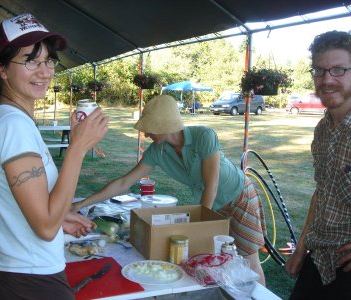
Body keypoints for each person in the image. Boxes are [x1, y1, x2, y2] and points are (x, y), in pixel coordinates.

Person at [0, 13, 108, 300]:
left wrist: (60, 217)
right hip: (28, 282)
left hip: (5, 273)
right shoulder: (13, 126)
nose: (45, 72)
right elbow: (45, 228)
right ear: (1, 68)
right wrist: (77, 149)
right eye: (30, 61)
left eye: (48, 60)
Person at [72, 94, 266, 285]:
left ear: (164, 125)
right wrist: (81, 204)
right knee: (217, 260)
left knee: (249, 260)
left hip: (239, 198)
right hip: (212, 205)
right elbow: (124, 182)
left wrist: (198, 226)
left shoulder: (204, 137)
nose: (146, 135)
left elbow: (211, 186)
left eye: (150, 129)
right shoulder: (158, 150)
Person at [285, 30, 351, 299]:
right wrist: (300, 250)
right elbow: (321, 193)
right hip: (319, 259)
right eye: (319, 71)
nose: (327, 80)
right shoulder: (322, 130)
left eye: (338, 69)